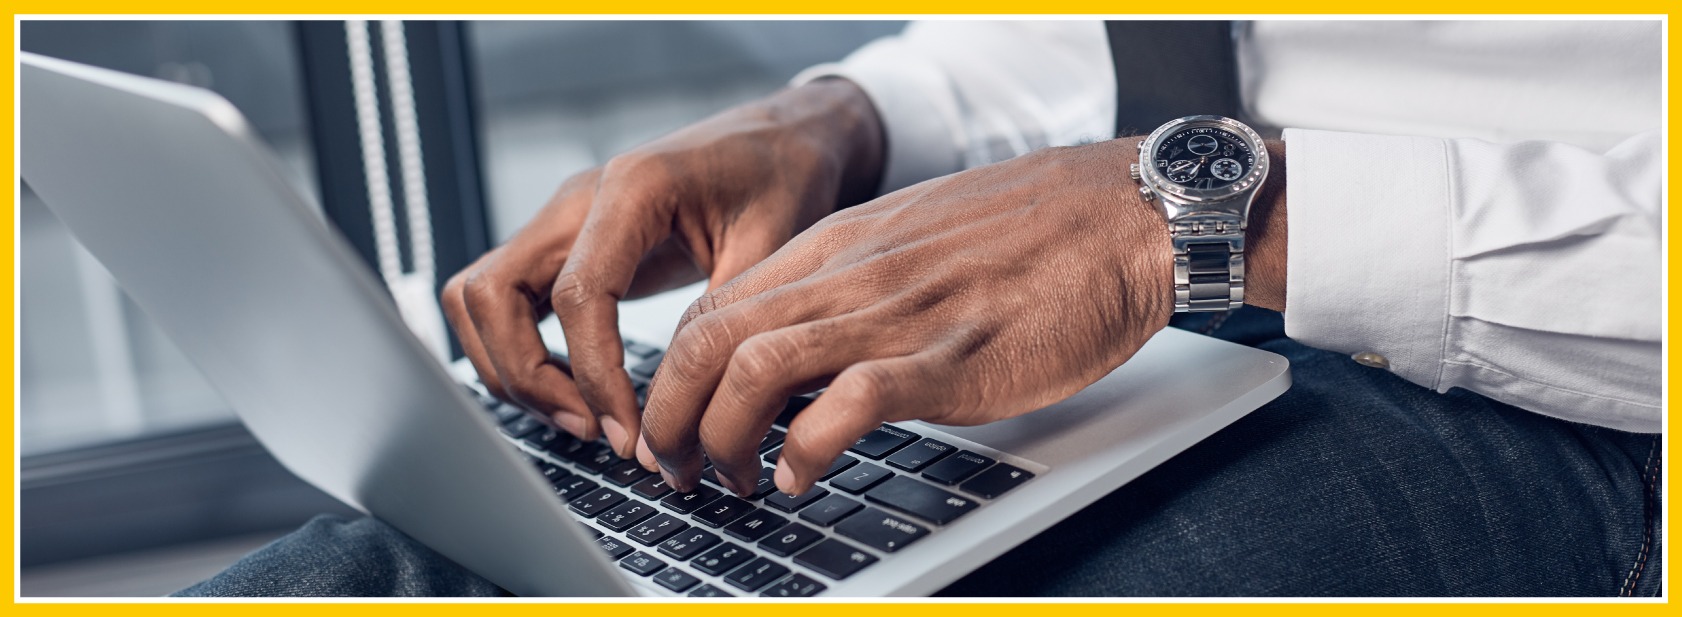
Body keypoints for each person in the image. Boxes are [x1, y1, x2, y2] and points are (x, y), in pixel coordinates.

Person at [178, 20, 1662, 597]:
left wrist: (1218, 217)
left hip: (1572, 372)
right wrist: (842, 117)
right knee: (390, 566)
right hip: (1191, 260)